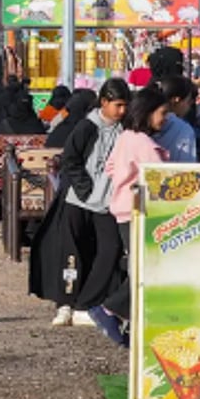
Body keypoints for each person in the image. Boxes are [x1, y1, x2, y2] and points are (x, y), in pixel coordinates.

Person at [89, 86, 169, 347]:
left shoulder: (126, 137)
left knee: (140, 264)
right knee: (146, 267)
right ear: (148, 112)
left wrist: (125, 180)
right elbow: (160, 176)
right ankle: (110, 309)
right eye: (162, 113)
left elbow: (111, 166)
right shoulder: (143, 143)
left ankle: (125, 317)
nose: (165, 119)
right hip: (140, 210)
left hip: (123, 208)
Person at [46, 78, 130, 327]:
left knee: (110, 249)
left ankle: (86, 302)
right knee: (72, 252)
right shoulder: (87, 127)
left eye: (125, 105)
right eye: (118, 105)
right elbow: (70, 159)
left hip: (107, 202)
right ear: (104, 102)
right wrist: (86, 190)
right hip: (79, 200)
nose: (122, 111)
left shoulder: (124, 128)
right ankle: (65, 302)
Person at [152, 76, 199, 162]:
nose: (189, 107)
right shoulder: (183, 129)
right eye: (188, 101)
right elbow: (187, 163)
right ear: (176, 100)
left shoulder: (142, 121)